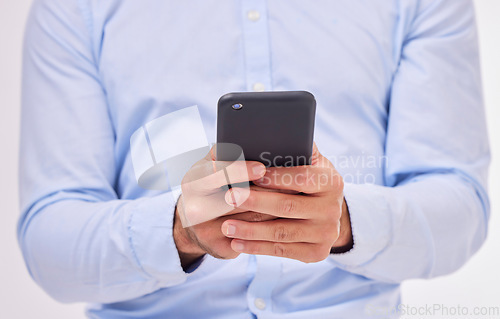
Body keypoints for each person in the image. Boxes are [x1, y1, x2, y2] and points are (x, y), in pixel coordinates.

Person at [18, 0, 490, 318]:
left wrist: (344, 223)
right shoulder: (73, 8)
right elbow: (49, 241)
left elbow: (461, 204)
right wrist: (178, 230)